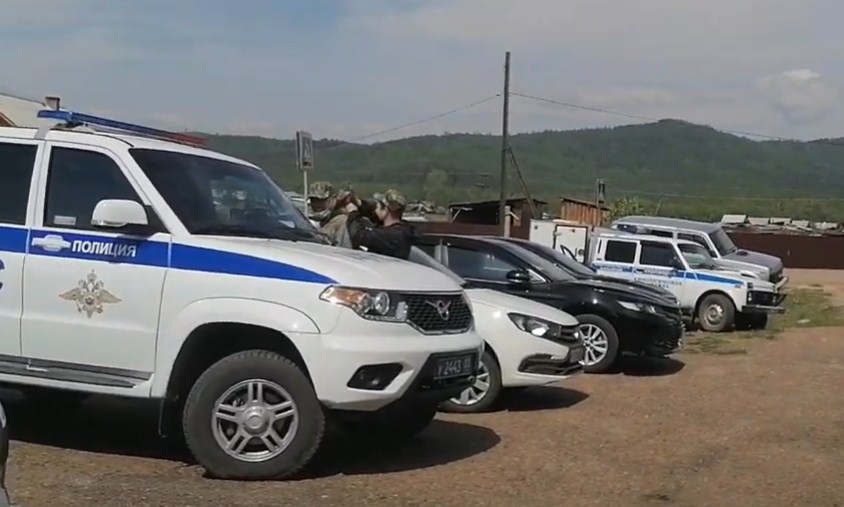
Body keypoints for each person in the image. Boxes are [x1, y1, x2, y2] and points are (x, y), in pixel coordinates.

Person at [345, 189, 415, 259]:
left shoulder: (392, 236)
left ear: (386, 210)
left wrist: (352, 212)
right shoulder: (401, 229)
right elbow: (374, 214)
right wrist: (359, 203)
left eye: (379, 205)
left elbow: (358, 236)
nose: (376, 207)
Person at [307, 181, 353, 248]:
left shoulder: (341, 220)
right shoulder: (315, 221)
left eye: (322, 200)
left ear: (333, 199)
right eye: (313, 200)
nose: (317, 204)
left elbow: (341, 248)